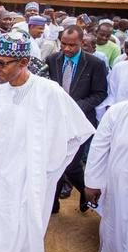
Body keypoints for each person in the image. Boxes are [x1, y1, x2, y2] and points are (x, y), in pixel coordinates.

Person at [0, 31, 94, 252]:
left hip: (26, 182)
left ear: (23, 62)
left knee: (19, 237)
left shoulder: (48, 91)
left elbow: (76, 133)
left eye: (1, 63)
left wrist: (47, 169)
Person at [45, 25, 108, 212]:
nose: (67, 48)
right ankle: (53, 204)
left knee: (71, 165)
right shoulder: (52, 60)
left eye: (72, 45)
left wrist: (74, 107)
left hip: (81, 121)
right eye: (64, 44)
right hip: (56, 121)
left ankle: (84, 191)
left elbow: (100, 93)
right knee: (55, 162)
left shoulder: (95, 64)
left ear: (81, 42)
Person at [84, 99, 128, 252]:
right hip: (121, 193)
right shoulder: (119, 112)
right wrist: (92, 183)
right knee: (120, 241)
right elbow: (99, 146)